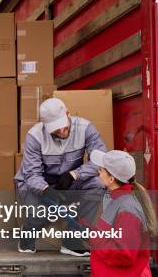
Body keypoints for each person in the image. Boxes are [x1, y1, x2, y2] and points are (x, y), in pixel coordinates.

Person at [14, 98, 107, 256]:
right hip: (41, 184)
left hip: (71, 181)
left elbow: (101, 160)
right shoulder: (34, 136)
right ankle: (28, 233)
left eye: (63, 127)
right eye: (55, 130)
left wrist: (75, 174)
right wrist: (45, 190)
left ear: (68, 114)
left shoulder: (86, 128)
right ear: (44, 125)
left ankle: (71, 240)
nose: (61, 132)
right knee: (41, 214)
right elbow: (31, 174)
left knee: (98, 183)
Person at [88, 149, 157, 277]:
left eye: (101, 170)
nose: (98, 173)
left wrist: (94, 241)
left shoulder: (126, 207)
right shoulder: (119, 200)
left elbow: (124, 253)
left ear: (110, 178)